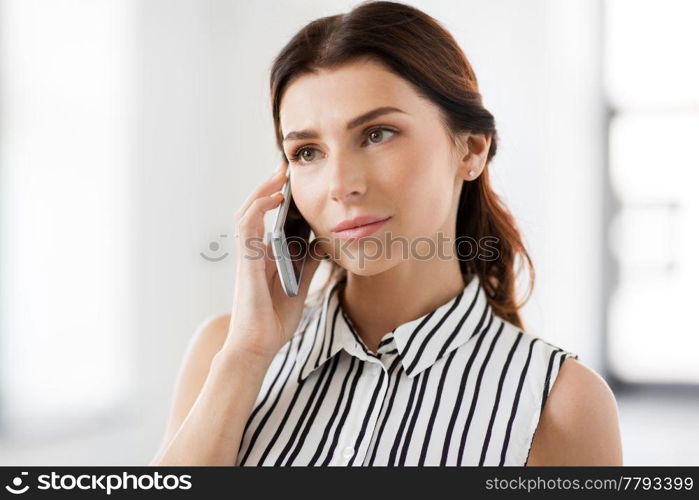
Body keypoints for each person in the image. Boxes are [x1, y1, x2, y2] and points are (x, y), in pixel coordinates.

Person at [150, 0, 622, 466]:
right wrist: (247, 358)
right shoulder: (223, 352)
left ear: (471, 150)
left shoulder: (561, 404)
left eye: (377, 134)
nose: (341, 186)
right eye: (308, 152)